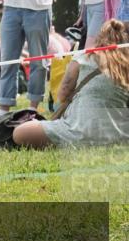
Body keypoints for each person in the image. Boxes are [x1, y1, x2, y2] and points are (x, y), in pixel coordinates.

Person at [13, 20, 129, 148]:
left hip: (77, 131)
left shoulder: (84, 57)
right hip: (122, 134)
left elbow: (63, 95)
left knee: (20, 132)